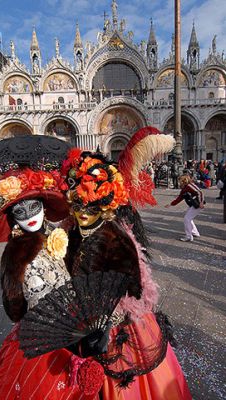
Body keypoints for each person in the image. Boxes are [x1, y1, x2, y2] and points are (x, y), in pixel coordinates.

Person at [62, 145, 192, 399]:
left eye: (91, 207)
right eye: (77, 206)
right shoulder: (70, 232)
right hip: (79, 318)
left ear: (105, 206)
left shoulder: (117, 239)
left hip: (116, 326)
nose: (82, 214)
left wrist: (105, 324)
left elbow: (134, 289)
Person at [0, 166, 102, 400]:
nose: (29, 216)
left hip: (73, 322)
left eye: (34, 207)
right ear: (13, 218)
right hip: (42, 335)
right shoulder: (15, 253)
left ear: (44, 207)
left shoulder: (55, 234)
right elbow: (14, 307)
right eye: (20, 211)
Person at [165, 175, 204, 242]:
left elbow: (200, 192)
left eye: (180, 181)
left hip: (197, 204)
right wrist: (171, 204)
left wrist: (201, 202)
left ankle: (189, 236)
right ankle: (195, 233)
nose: (179, 183)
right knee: (189, 218)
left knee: (187, 218)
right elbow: (179, 198)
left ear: (183, 181)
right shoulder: (185, 188)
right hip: (194, 205)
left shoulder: (189, 186)